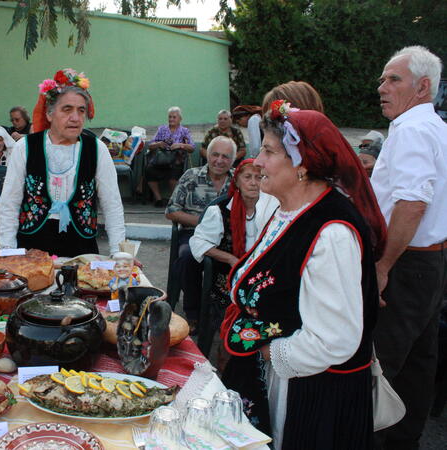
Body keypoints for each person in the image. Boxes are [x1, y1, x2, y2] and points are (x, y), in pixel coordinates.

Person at [221, 102, 387, 449]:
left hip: (313, 391)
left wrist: (270, 353)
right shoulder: (290, 209)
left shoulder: (332, 232)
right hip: (285, 378)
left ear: (302, 164)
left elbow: (337, 338)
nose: (258, 161)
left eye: (268, 151)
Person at [371, 46, 447, 449]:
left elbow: (413, 202)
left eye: (392, 79)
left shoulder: (414, 129)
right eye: (384, 79)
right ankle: (404, 441)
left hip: (406, 264)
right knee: (419, 364)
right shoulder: (435, 127)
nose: (382, 87)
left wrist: (384, 265)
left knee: (383, 366)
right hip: (429, 262)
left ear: (422, 87)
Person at [0, 68, 125, 257]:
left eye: (81, 111)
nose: (75, 118)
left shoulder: (97, 149)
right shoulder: (25, 147)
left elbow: (112, 203)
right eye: (67, 109)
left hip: (82, 247)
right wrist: (7, 251)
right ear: (49, 114)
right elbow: (10, 203)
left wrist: (118, 252)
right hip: (32, 246)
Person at [190, 160, 278, 345]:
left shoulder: (273, 209)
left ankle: (258, 346)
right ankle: (230, 345)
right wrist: (230, 258)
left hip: (260, 272)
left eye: (259, 177)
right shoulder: (219, 211)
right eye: (248, 177)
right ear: (237, 181)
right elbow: (198, 243)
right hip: (227, 275)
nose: (254, 183)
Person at [166, 136, 236, 332]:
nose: (219, 160)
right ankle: (194, 313)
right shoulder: (191, 176)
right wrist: (203, 224)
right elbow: (171, 211)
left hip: (227, 238)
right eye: (215, 154)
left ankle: (226, 313)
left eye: (225, 156)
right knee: (189, 257)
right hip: (192, 233)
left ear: (232, 160)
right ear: (207, 155)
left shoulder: (237, 181)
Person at [146, 107, 195, 207]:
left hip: (176, 160)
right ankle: (158, 199)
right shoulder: (162, 129)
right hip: (161, 159)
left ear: (180, 119)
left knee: (173, 175)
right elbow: (150, 145)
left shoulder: (184, 131)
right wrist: (159, 143)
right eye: (170, 117)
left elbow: (192, 148)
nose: (171, 119)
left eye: (174, 117)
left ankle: (174, 200)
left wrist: (180, 145)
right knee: (149, 170)